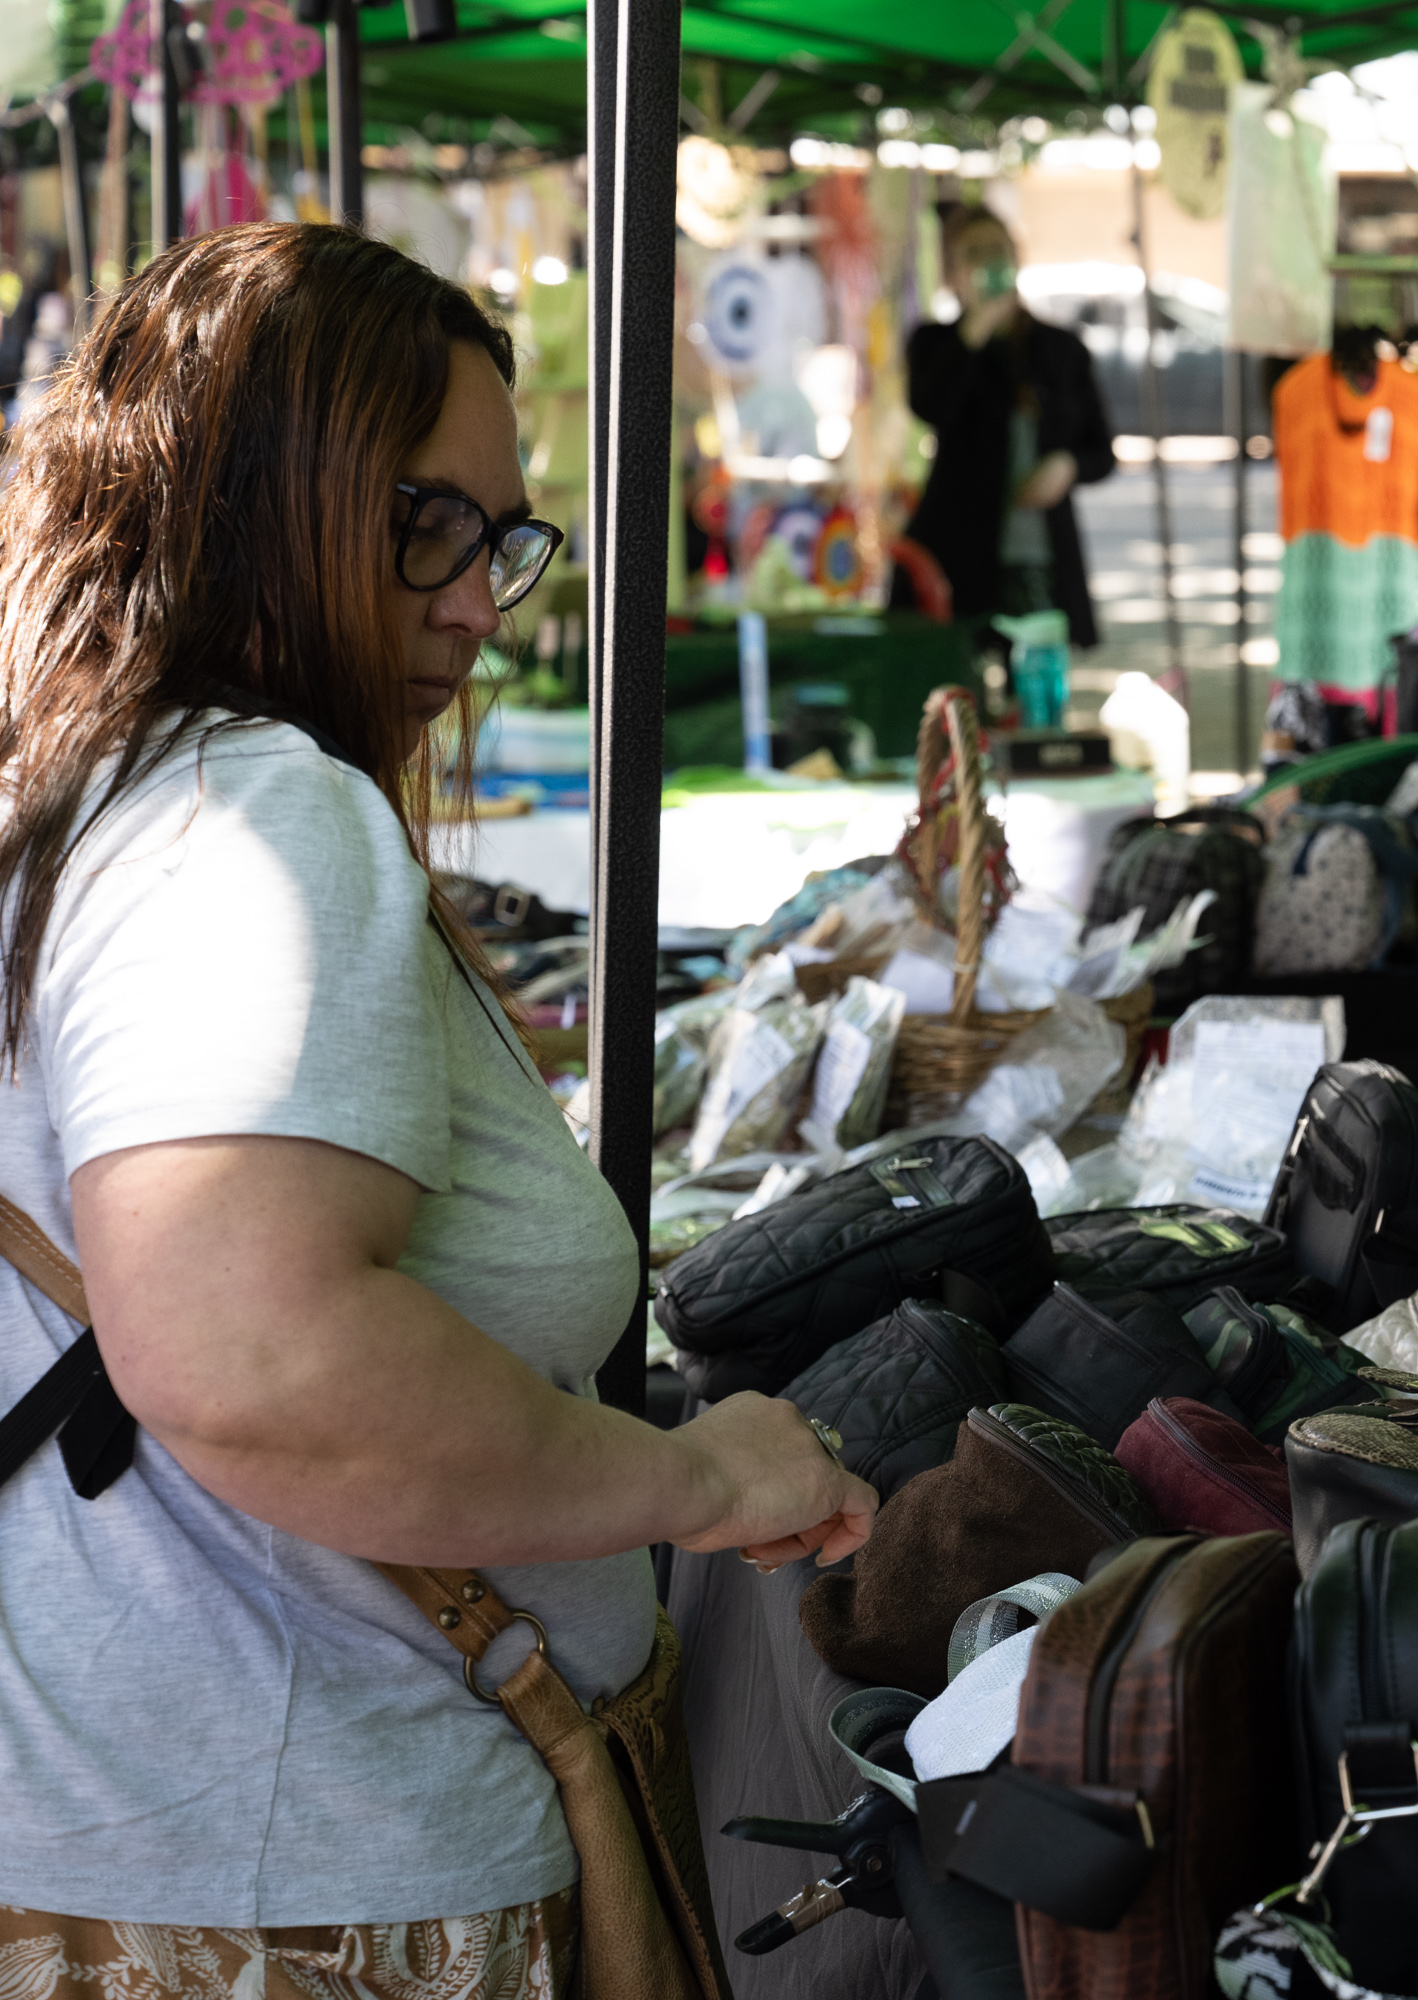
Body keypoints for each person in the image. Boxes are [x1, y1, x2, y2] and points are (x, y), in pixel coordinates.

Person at [0, 224, 875, 1993]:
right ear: (259, 499)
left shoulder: (91, 795)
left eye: (502, 542)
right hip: (285, 1892)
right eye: (430, 526)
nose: (480, 602)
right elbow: (251, 1350)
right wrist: (695, 1481)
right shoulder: (251, 815)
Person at [897, 206, 1118, 644]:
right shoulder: (935, 343)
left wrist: (1067, 466)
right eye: (972, 254)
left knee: (1033, 687)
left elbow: (1102, 451)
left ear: (1016, 257)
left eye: (996, 250)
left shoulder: (1060, 349)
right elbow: (930, 408)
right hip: (960, 554)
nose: (987, 262)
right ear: (953, 271)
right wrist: (976, 328)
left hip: (1039, 556)